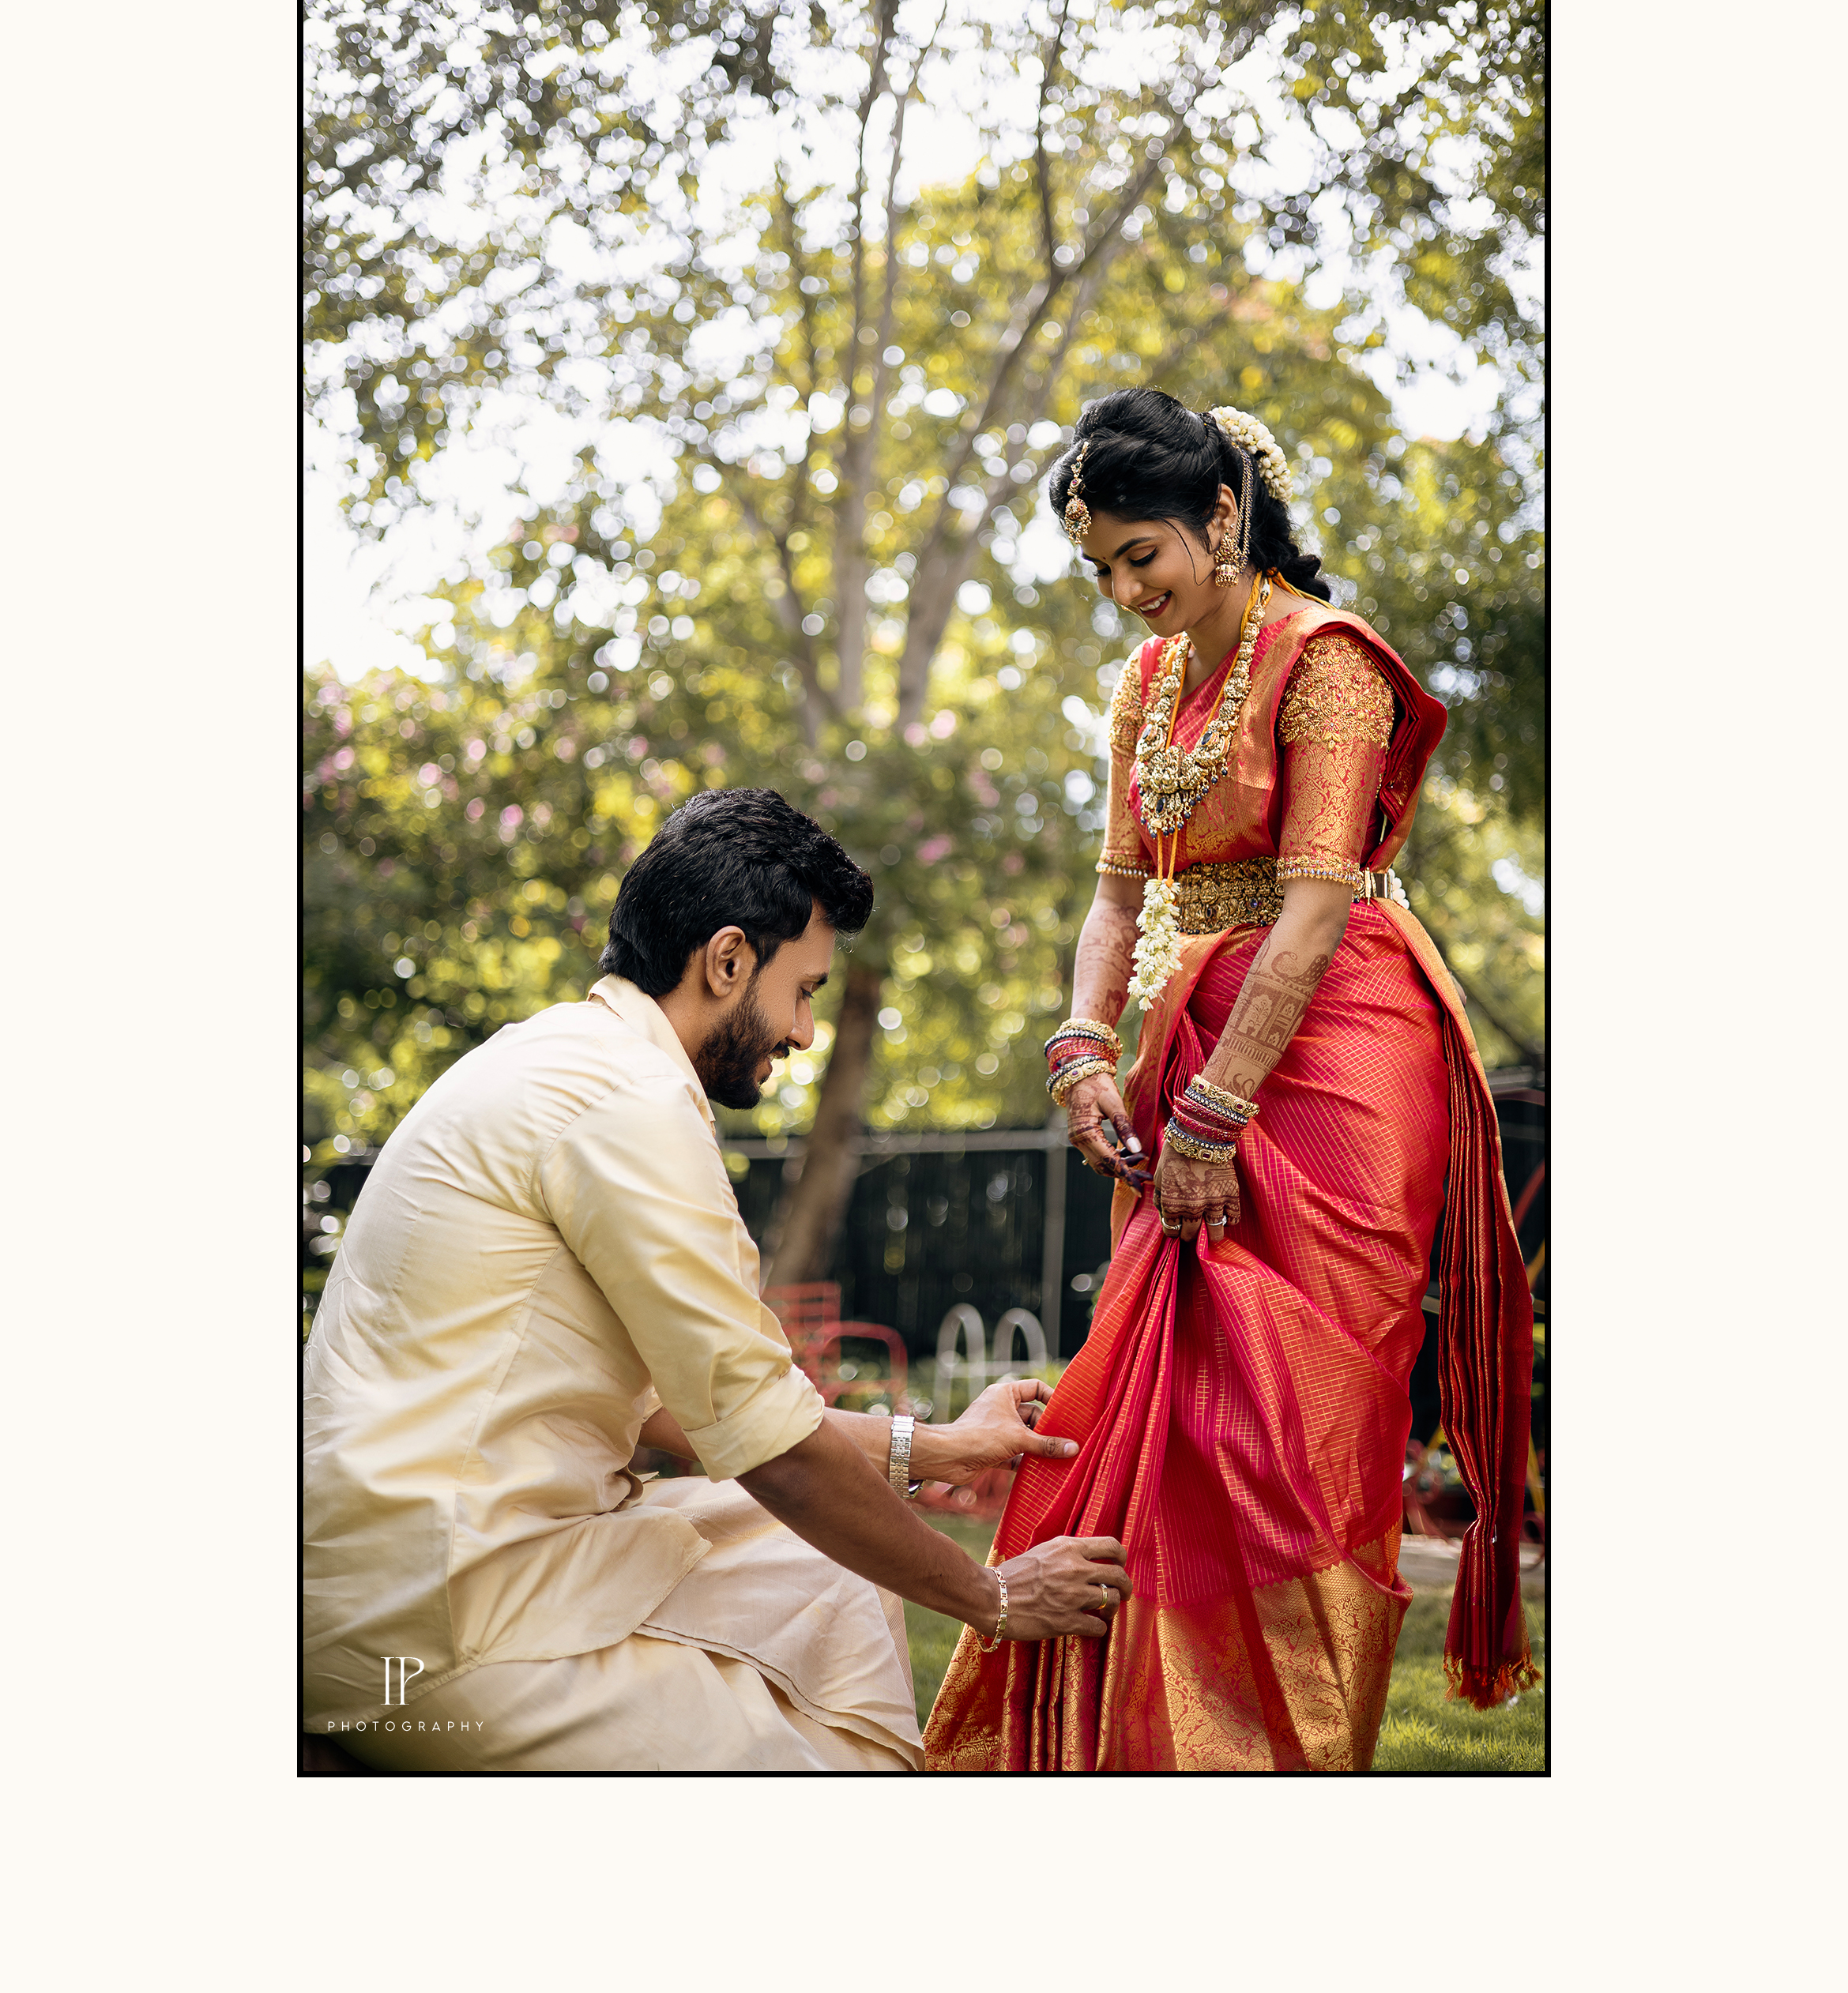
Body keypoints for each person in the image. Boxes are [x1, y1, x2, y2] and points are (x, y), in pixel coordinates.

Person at [924, 391, 1534, 1773]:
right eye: (1097, 568)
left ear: (1217, 515)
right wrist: (1081, 1045)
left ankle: (1285, 1759)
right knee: (1170, 1414)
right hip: (1194, 1035)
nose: (1122, 592)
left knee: (1295, 1430)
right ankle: (1139, 1747)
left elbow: (1313, 911)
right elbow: (1113, 893)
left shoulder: (1327, 662)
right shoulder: (1145, 686)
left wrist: (1212, 1115)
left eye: (1138, 555)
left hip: (1337, 1054)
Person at [303, 788, 1129, 1771]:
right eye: (803, 990)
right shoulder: (627, 1102)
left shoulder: (567, 1055)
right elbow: (772, 1453)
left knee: (831, 1573)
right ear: (728, 959)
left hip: (451, 1559)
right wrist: (992, 1596)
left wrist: (940, 1447)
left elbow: (685, 1413)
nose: (804, 1031)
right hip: (437, 1619)